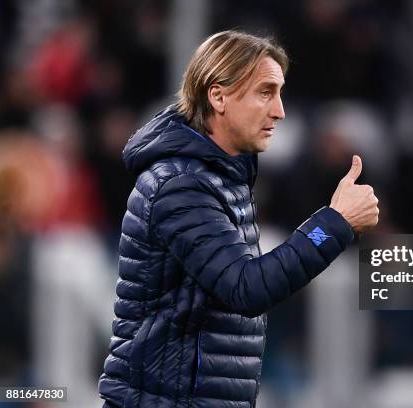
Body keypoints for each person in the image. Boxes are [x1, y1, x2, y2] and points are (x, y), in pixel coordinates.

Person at [98, 30, 379, 408]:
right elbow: (246, 288)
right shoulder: (181, 185)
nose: (279, 110)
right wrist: (334, 223)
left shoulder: (223, 177)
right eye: (265, 92)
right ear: (218, 96)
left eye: (279, 93)